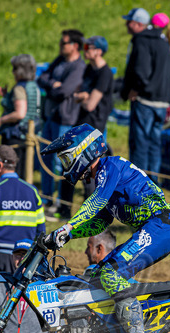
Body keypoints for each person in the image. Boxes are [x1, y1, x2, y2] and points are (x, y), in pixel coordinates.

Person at [42, 124, 170, 333]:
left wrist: (66, 227)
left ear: (82, 151)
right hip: (156, 228)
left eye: (67, 159)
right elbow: (99, 223)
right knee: (99, 273)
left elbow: (95, 203)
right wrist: (66, 235)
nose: (66, 167)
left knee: (110, 273)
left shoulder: (110, 167)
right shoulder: (105, 178)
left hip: (161, 226)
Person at [0, 144, 46, 298]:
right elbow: (41, 230)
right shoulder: (32, 191)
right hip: (24, 257)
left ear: (1, 164)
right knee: (19, 304)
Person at [37, 28, 86, 218]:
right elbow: (42, 78)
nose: (60, 45)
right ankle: (47, 199)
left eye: (63, 42)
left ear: (74, 46)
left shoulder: (78, 67)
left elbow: (64, 91)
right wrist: (52, 84)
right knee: (45, 159)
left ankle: (60, 204)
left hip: (66, 120)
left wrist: (53, 86)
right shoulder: (59, 61)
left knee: (62, 164)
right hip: (50, 117)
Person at [121, 7, 170, 179]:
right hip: (163, 100)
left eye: (128, 22)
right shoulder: (163, 40)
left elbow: (140, 69)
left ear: (137, 24)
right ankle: (153, 185)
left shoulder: (142, 39)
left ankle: (138, 185)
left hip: (145, 100)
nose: (126, 25)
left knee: (140, 145)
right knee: (154, 144)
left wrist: (136, 89)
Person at [66, 35, 114, 208]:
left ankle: (92, 211)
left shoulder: (105, 74)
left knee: (90, 171)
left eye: (88, 47)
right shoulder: (89, 69)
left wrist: (82, 97)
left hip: (95, 126)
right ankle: (66, 208)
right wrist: (82, 96)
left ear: (99, 51)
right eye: (84, 47)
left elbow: (90, 104)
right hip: (81, 124)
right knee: (73, 167)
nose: (84, 50)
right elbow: (79, 94)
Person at [0, 53, 41, 174]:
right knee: (25, 171)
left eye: (14, 68)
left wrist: (1, 121)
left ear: (21, 70)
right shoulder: (34, 85)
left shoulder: (19, 88)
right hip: (29, 133)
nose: (12, 72)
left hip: (16, 135)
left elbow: (20, 113)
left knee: (13, 172)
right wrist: (7, 96)